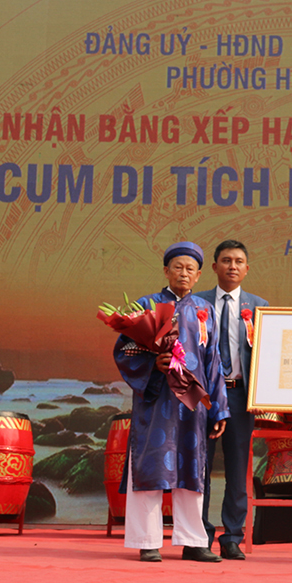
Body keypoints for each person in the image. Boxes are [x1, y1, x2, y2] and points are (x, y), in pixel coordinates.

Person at [113, 241, 230, 563]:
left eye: (190, 269)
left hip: (192, 405)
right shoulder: (146, 306)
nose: (184, 273)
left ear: (199, 275)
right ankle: (147, 540)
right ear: (166, 270)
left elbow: (214, 363)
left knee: (193, 471)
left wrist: (219, 407)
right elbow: (125, 351)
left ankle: (194, 541)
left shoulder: (205, 312)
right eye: (177, 267)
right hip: (156, 402)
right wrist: (154, 365)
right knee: (149, 467)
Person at [195, 240, 268, 561]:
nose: (232, 266)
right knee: (200, 466)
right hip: (202, 397)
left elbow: (270, 355)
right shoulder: (195, 303)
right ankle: (198, 534)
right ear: (214, 267)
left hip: (240, 395)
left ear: (247, 268)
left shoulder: (260, 307)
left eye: (239, 261)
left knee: (238, 468)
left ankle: (232, 536)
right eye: (226, 260)